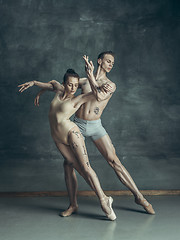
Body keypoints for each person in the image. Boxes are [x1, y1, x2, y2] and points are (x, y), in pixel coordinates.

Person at [35, 52, 155, 216]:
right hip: (77, 124)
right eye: (108, 61)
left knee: (114, 161)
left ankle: (139, 197)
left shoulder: (110, 84)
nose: (111, 64)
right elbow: (62, 87)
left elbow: (98, 97)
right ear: (99, 61)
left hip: (95, 125)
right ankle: (73, 205)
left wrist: (90, 74)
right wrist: (41, 89)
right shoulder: (82, 81)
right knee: (68, 163)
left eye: (112, 62)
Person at [18, 69, 116, 221]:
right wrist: (36, 86)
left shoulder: (78, 99)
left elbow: (99, 96)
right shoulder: (59, 90)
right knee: (73, 167)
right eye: (69, 85)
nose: (72, 88)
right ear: (64, 84)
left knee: (85, 168)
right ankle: (73, 205)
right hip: (58, 138)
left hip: (72, 134)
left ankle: (104, 200)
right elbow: (51, 83)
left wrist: (103, 87)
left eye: (75, 85)